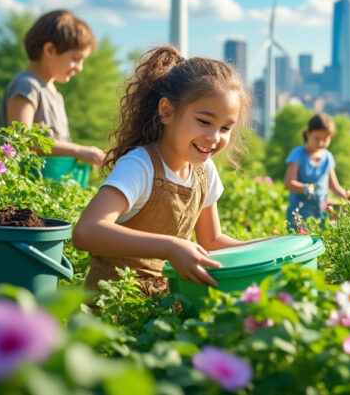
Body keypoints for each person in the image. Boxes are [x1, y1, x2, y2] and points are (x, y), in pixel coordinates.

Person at [72, 47, 259, 296]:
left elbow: (212, 241)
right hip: (114, 309)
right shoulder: (141, 166)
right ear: (167, 111)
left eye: (225, 128)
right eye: (204, 122)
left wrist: (273, 248)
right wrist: (170, 247)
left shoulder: (204, 170)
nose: (214, 138)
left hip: (164, 305)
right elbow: (87, 231)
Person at [0, 9, 105, 166]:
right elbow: (21, 140)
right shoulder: (27, 86)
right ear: (49, 50)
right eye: (75, 59)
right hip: (25, 185)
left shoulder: (54, 93)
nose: (80, 68)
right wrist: (79, 151)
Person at [284, 113, 350, 231]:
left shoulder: (328, 157)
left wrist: (347, 195)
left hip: (320, 212)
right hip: (299, 213)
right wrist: (305, 188)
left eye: (325, 139)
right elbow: (289, 183)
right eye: (316, 138)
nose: (320, 143)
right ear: (308, 134)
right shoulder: (298, 154)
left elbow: (334, 187)